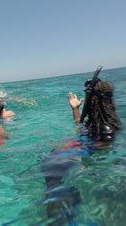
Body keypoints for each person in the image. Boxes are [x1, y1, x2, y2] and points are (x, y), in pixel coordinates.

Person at [41, 67, 121, 224]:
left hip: (59, 160)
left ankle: (59, 220)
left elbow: (93, 143)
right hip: (63, 158)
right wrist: (75, 109)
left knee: (54, 190)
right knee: (57, 190)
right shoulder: (104, 123)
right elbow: (81, 127)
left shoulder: (103, 127)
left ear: (92, 101)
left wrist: (80, 158)